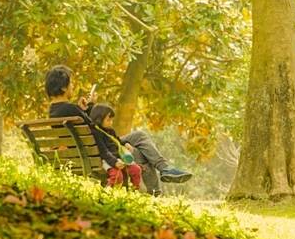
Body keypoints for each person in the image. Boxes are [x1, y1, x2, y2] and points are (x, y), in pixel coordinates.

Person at [44, 64, 192, 194]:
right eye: (71, 84)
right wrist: (90, 107)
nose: (72, 87)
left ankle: (163, 171)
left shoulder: (55, 111)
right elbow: (96, 129)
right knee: (140, 144)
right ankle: (160, 180)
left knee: (139, 144)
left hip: (90, 150)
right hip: (102, 150)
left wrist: (84, 109)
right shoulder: (71, 109)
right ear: (63, 87)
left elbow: (88, 129)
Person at [88, 103, 143, 190]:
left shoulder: (110, 130)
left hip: (120, 157)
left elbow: (118, 140)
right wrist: (114, 162)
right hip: (107, 160)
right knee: (117, 176)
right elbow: (103, 151)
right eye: (108, 120)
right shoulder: (96, 133)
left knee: (136, 170)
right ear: (99, 119)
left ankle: (134, 191)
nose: (111, 122)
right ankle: (108, 193)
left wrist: (125, 143)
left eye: (112, 120)